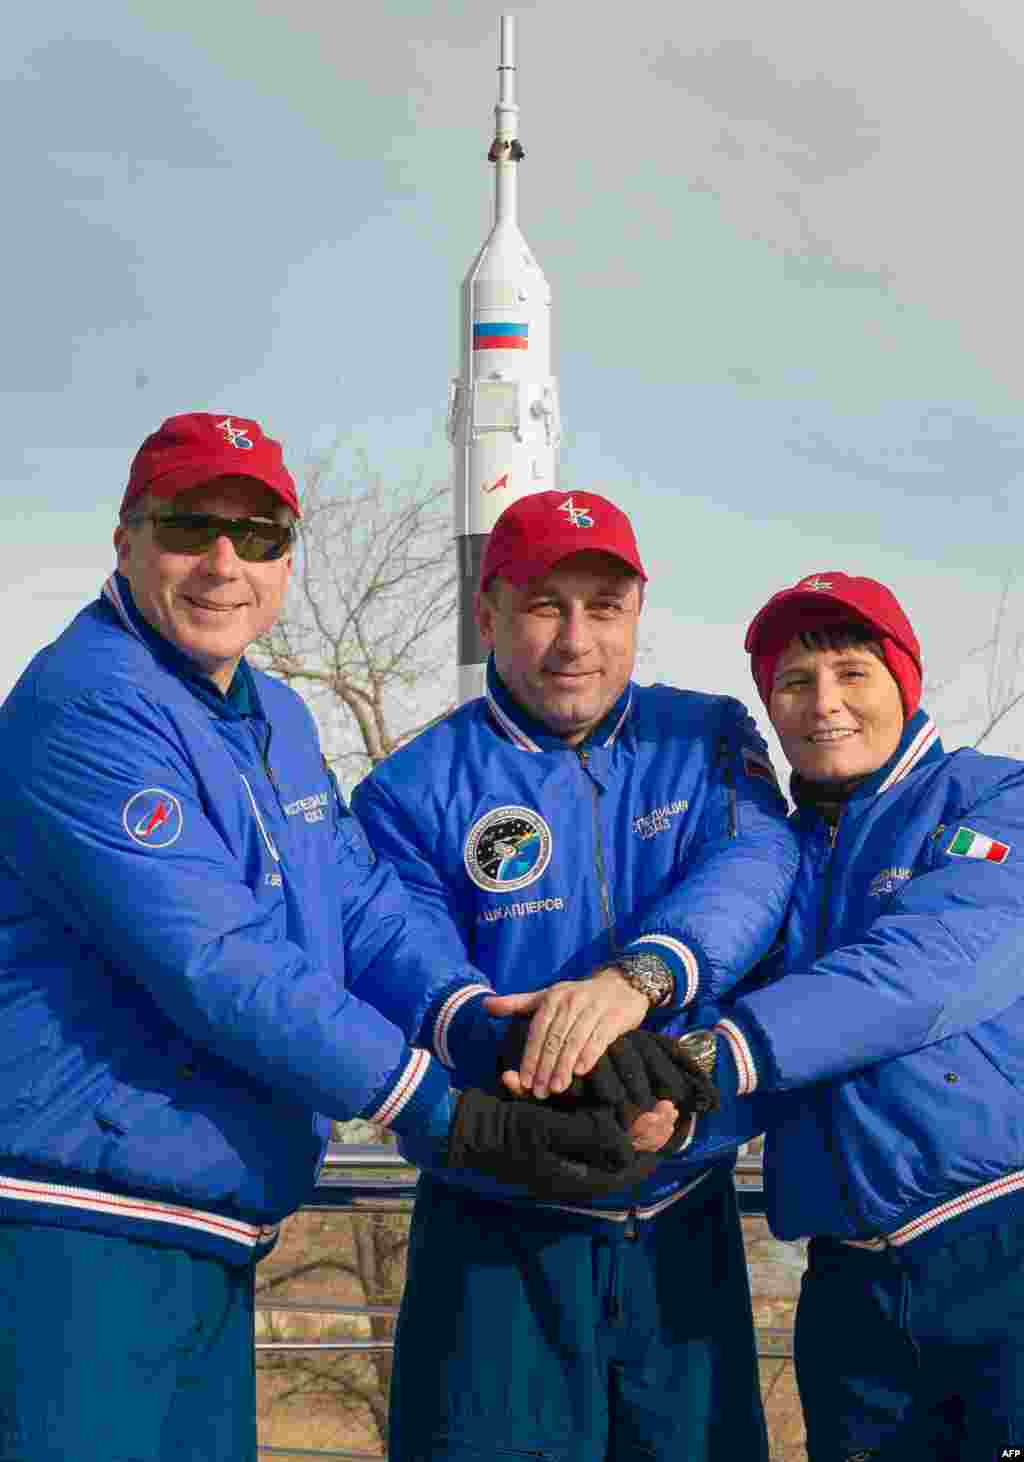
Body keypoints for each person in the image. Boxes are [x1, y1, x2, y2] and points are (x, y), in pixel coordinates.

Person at [0, 418, 666, 1462]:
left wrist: (485, 1025)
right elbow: (217, 962)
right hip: (74, 1228)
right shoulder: (89, 706)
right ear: (125, 539)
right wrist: (442, 1111)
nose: (226, 563)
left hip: (205, 1227)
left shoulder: (272, 715)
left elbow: (359, 907)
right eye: (190, 527)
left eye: (259, 536)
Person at [350, 489, 800, 1462]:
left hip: (684, 1225)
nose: (575, 639)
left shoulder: (708, 738)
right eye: (545, 604)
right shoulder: (410, 789)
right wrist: (531, 1058)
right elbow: (400, 956)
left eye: (604, 607)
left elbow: (756, 867)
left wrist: (638, 985)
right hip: (496, 1227)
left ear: (638, 612)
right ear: (488, 614)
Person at [696, 570, 1024, 1458]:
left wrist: (719, 1056)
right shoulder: (776, 855)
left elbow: (932, 966)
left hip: (998, 1249)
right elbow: (727, 1007)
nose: (824, 705)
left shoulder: (994, 796)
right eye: (795, 685)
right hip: (846, 1287)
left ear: (905, 686)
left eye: (853, 674)